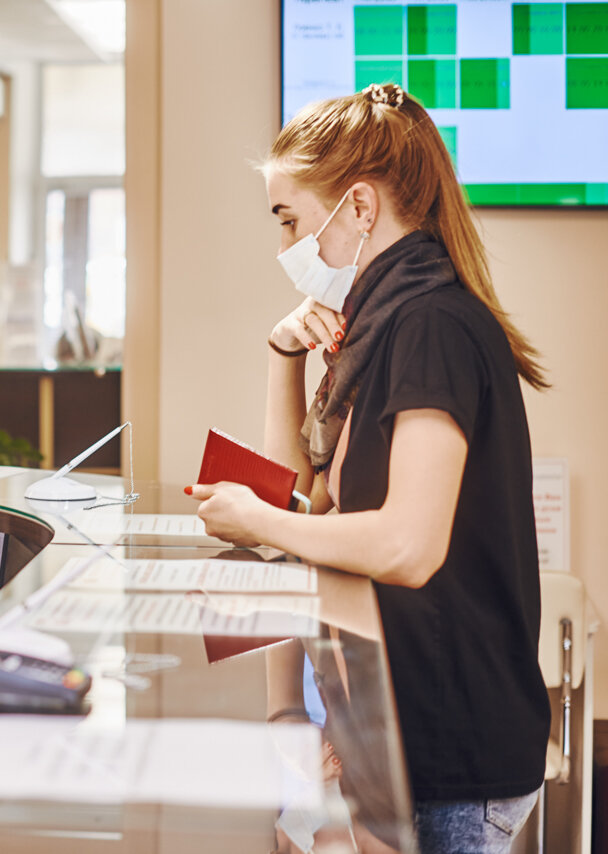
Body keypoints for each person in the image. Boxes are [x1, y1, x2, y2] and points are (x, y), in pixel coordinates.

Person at [188, 83, 550, 853]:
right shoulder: (381, 324)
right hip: (402, 723)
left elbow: (405, 547)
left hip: (455, 751)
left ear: (358, 207)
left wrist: (254, 518)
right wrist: (282, 358)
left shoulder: (430, 326)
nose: (285, 244)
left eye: (290, 219)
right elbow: (304, 502)